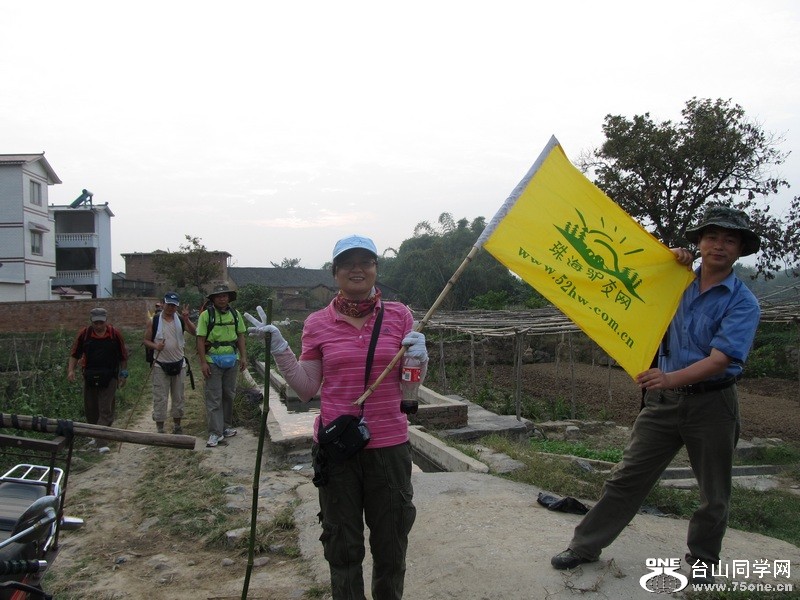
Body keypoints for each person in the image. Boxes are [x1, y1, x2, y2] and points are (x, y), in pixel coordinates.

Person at [550, 206, 761, 583]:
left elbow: (720, 359)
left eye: (729, 240)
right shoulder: (674, 282)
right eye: (712, 237)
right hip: (663, 403)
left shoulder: (743, 302)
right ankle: (584, 546)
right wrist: (667, 259)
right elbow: (630, 279)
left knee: (714, 493)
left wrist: (669, 378)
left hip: (712, 404)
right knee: (626, 477)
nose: (719, 245)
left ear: (740, 250)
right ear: (699, 243)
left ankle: (703, 561)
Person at [245, 234, 428, 600]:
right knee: (342, 547)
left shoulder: (399, 315)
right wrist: (280, 348)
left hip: (389, 447)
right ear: (335, 272)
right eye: (347, 263)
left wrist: (421, 359)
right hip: (337, 450)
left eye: (365, 262)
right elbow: (306, 389)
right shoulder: (317, 323)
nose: (357, 269)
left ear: (376, 269)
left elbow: (410, 384)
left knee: (391, 545)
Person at [67, 307, 129, 445]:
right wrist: (71, 370)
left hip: (110, 376)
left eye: (101, 322)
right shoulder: (85, 335)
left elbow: (123, 357)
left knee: (105, 408)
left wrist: (123, 374)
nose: (99, 326)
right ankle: (95, 435)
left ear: (106, 321)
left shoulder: (114, 334)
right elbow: (75, 354)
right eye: (96, 323)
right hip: (90, 375)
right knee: (91, 408)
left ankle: (102, 441)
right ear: (91, 321)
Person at [196, 285, 248, 448]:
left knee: (229, 394)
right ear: (213, 299)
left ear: (229, 298)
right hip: (213, 360)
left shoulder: (235, 314)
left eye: (225, 296)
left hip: (232, 360)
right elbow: (200, 339)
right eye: (218, 296)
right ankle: (215, 432)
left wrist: (243, 357)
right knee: (214, 397)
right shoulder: (206, 315)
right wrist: (203, 362)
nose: (222, 298)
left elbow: (240, 336)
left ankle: (226, 427)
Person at [143, 291, 197, 434]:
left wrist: (187, 319)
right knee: (160, 397)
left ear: (177, 306)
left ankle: (177, 426)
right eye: (169, 305)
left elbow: (195, 332)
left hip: (179, 363)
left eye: (174, 305)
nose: (171, 308)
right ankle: (160, 428)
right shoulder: (154, 321)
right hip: (160, 364)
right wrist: (156, 346)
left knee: (178, 397)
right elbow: (146, 341)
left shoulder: (180, 320)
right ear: (163, 304)